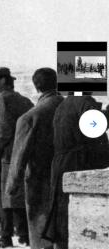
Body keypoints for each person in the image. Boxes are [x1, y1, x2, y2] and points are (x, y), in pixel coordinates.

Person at [6, 68, 63, 249]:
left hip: (39, 181)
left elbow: (19, 156)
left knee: (40, 230)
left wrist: (12, 185)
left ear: (36, 86)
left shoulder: (30, 117)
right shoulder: (70, 108)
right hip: (66, 177)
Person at [42, 95, 109, 249]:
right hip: (77, 162)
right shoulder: (84, 102)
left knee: (61, 210)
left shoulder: (66, 104)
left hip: (64, 163)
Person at [0, 67, 33, 247]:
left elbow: (2, 132)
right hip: (22, 153)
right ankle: (25, 235)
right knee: (17, 195)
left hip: (5, 155)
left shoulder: (3, 99)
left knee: (3, 197)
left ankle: (5, 236)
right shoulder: (23, 100)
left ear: (3, 80)